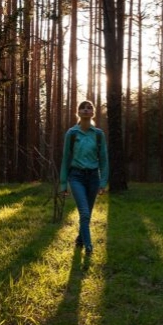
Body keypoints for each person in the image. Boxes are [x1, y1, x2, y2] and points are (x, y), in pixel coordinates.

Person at [59, 100, 109, 255]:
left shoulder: (99, 135)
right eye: (83, 108)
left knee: (87, 213)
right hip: (76, 177)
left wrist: (103, 182)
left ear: (93, 113)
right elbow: (66, 158)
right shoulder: (72, 134)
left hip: (93, 178)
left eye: (89, 108)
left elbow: (104, 160)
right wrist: (63, 183)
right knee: (85, 213)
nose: (86, 110)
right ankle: (88, 246)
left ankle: (80, 239)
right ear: (78, 112)